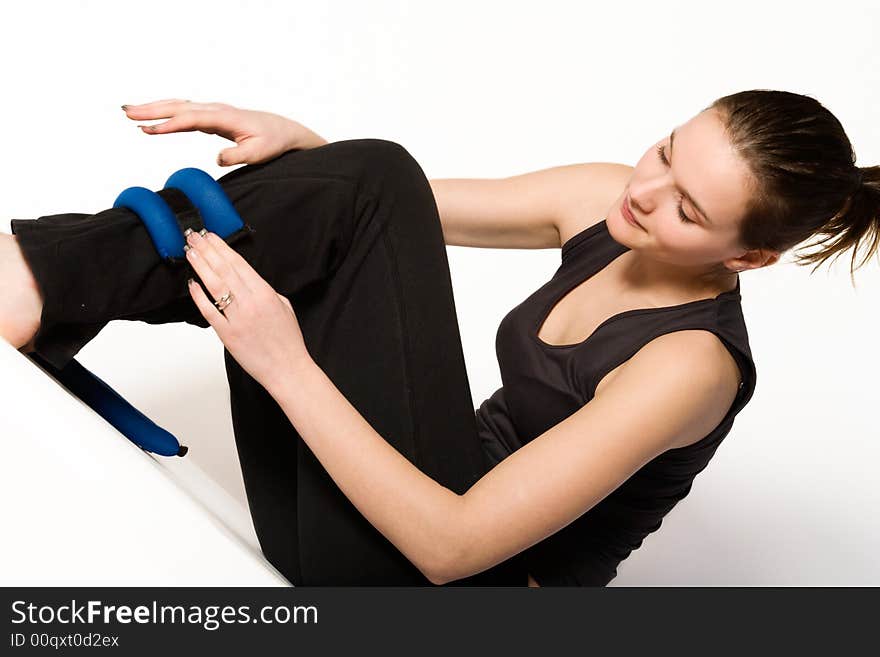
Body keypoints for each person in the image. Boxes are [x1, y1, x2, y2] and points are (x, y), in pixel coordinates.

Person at [1, 90, 877, 586]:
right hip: (374, 520)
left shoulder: (693, 363)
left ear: (751, 256)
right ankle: (41, 286)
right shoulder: (612, 198)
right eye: (666, 150)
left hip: (449, 586)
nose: (648, 190)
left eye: (688, 208)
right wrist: (310, 156)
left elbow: (452, 545)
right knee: (368, 174)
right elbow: (384, 212)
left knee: (367, 183)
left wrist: (286, 364)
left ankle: (38, 281)